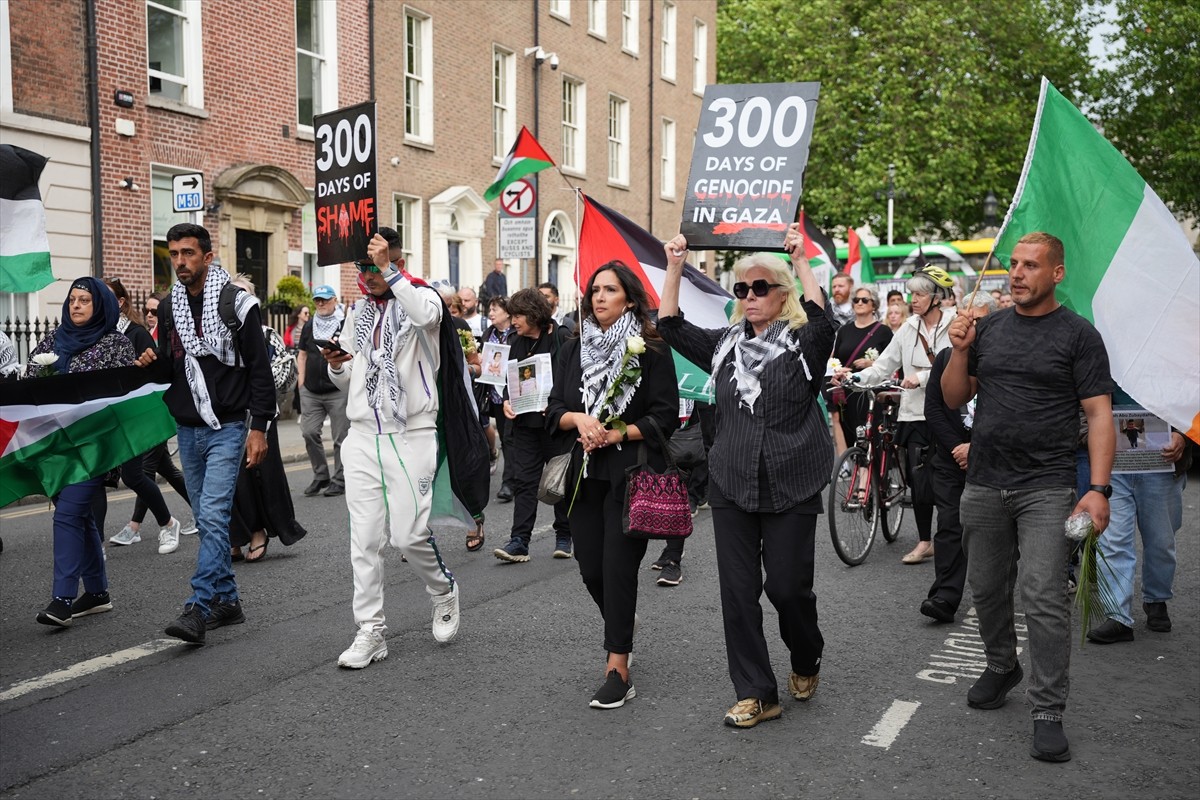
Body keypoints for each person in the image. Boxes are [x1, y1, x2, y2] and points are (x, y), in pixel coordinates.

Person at [942, 231, 1114, 763]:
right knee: (987, 590)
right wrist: (960, 350)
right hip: (985, 483)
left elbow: (1099, 414)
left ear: (1056, 274)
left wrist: (1098, 490)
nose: (1016, 273)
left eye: (1030, 266)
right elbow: (954, 396)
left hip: (1046, 486)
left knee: (1042, 597)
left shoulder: (1078, 336)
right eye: (1013, 264)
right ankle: (1001, 665)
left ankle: (1047, 710)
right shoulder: (988, 328)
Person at [658, 224, 834, 728]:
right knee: (737, 592)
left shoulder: (805, 344)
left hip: (792, 480)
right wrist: (675, 265)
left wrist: (800, 259)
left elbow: (824, 322)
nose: (750, 297)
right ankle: (759, 692)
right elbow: (670, 327)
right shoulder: (723, 344)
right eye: (742, 289)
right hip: (732, 481)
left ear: (783, 295)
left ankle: (806, 655)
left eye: (760, 288)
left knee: (786, 589)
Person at [320, 232, 461, 669]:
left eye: (379, 264)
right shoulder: (358, 312)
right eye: (364, 267)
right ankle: (371, 630)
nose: (371, 274)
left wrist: (390, 270)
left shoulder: (423, 298)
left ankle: (442, 589)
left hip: (411, 432)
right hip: (362, 436)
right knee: (363, 540)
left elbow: (422, 315)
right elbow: (351, 376)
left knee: (408, 534)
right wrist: (338, 367)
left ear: (397, 259)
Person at [546, 261, 680, 709]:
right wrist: (578, 419)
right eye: (594, 290)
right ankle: (621, 623)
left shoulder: (652, 349)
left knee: (619, 567)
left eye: (610, 289)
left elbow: (664, 416)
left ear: (629, 296)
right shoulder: (572, 348)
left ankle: (618, 667)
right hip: (583, 473)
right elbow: (552, 411)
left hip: (629, 473)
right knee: (590, 567)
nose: (599, 297)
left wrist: (618, 431)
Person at [135, 222, 276, 644]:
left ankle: (198, 607)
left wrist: (259, 428)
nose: (180, 261)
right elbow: (172, 365)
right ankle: (228, 601)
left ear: (207, 257)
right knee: (208, 520)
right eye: (174, 253)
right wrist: (151, 362)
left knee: (213, 515)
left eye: (188, 253)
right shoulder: (168, 308)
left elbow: (260, 371)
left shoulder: (237, 305)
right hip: (188, 427)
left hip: (229, 427)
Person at [26, 277, 135, 626]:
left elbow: (127, 394)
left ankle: (62, 599)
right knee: (81, 517)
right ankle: (98, 593)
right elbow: (30, 386)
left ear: (100, 304)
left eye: (84, 300)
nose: (75, 305)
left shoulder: (116, 344)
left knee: (69, 515)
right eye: (72, 299)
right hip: (56, 446)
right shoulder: (52, 341)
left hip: (95, 446)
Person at [837, 265, 958, 565]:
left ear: (937, 297)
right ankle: (924, 541)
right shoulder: (907, 328)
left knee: (948, 481)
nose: (912, 300)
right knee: (918, 481)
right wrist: (853, 378)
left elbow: (958, 361)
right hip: (914, 413)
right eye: (911, 294)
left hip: (950, 412)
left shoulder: (956, 322)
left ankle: (952, 539)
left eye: (919, 294)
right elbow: (883, 365)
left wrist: (923, 377)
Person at [1086, 394, 1190, 643]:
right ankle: (1117, 616)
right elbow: (1081, 407)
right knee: (1113, 540)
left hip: (1162, 465)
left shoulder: (1176, 358)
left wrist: (1184, 437)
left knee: (1161, 541)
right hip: (1113, 466)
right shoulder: (1098, 356)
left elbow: (1193, 401)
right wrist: (1094, 437)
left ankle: (1156, 599)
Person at [921, 291, 998, 623]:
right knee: (949, 527)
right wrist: (957, 447)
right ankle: (945, 596)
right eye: (964, 317)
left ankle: (996, 598)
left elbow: (1005, 411)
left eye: (978, 319)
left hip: (993, 459)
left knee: (993, 532)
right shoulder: (944, 358)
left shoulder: (1000, 359)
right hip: (950, 459)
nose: (969, 324)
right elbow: (934, 410)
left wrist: (976, 447)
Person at [101, 277, 190, 554]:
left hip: (139, 416)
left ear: (120, 302)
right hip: (109, 417)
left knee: (136, 475)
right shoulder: (98, 334)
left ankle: (163, 523)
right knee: (98, 480)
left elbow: (156, 376)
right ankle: (97, 542)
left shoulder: (136, 333)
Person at [225, 274, 306, 563]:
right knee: (229, 481)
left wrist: (253, 383)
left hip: (259, 416)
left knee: (257, 478)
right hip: (225, 417)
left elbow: (285, 371)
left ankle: (258, 532)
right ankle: (235, 536)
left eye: (245, 294)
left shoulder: (266, 333)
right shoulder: (218, 333)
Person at [494, 288, 573, 562]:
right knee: (524, 482)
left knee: (558, 481)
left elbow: (573, 377)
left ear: (534, 314)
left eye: (518, 315)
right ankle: (519, 541)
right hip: (525, 426)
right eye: (512, 315)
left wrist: (556, 404)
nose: (513, 320)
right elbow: (510, 381)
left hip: (555, 425)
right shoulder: (515, 341)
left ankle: (564, 536)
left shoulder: (561, 337)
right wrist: (506, 401)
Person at [296, 284, 349, 498]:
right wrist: (301, 383)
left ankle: (339, 479)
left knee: (341, 438)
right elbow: (302, 354)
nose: (320, 303)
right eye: (317, 299)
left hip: (337, 389)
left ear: (334, 300)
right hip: (311, 390)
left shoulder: (344, 324)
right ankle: (321, 475)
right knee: (308, 432)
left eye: (325, 299)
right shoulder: (309, 326)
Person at [828, 284, 892, 454]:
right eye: (856, 300)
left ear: (874, 305)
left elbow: (892, 363)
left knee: (872, 437)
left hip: (872, 392)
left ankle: (867, 477)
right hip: (848, 392)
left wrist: (871, 364)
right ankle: (860, 469)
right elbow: (836, 360)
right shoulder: (844, 331)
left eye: (865, 300)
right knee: (852, 435)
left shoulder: (884, 332)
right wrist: (837, 373)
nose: (860, 303)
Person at [482, 297, 515, 494]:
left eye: (495, 310)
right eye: (490, 310)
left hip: (512, 395)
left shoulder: (516, 333)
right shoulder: (488, 333)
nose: (491, 313)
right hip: (494, 394)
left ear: (507, 312)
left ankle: (509, 483)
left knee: (510, 438)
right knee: (504, 435)